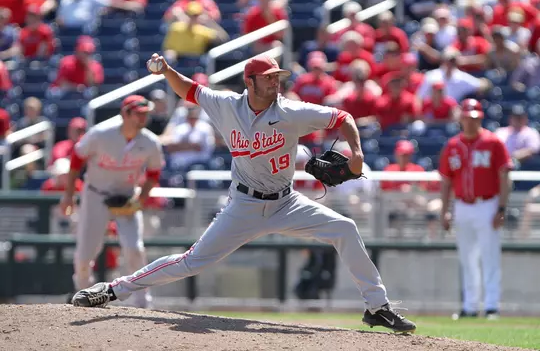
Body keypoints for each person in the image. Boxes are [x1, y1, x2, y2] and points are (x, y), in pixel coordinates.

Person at [70, 53, 417, 334]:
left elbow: (343, 117)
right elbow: (189, 89)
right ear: (248, 81)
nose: (275, 82)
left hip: (287, 201)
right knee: (191, 262)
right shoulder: (226, 106)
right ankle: (113, 290)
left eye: (277, 77)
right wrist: (166, 71)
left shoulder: (291, 110)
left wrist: (356, 152)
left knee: (345, 229)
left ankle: (377, 308)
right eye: (268, 77)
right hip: (244, 204)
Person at [60, 95, 165, 309]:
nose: (143, 117)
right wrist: (69, 195)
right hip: (95, 195)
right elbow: (76, 161)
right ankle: (83, 292)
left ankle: (142, 301)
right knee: (85, 254)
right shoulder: (100, 134)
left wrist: (140, 200)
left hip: (126, 197)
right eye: (138, 113)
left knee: (135, 249)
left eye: (146, 113)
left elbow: (154, 173)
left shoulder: (149, 142)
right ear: (125, 113)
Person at [438, 98, 513, 321]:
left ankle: (491, 306)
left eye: (474, 118)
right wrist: (445, 210)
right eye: (467, 117)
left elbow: (504, 176)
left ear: (480, 118)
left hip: (487, 204)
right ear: (461, 118)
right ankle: (470, 306)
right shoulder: (452, 145)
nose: (470, 122)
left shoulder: (493, 142)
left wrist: (501, 207)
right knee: (467, 258)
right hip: (462, 205)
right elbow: (446, 181)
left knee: (490, 256)